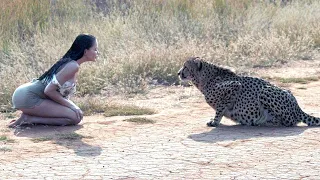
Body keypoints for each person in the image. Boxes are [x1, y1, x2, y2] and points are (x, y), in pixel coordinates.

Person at [8, 34, 99, 128]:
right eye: (95, 49)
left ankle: (30, 117)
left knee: (75, 115)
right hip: (28, 97)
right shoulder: (73, 66)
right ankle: (29, 119)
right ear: (85, 51)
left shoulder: (71, 64)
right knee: (75, 117)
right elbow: (49, 90)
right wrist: (73, 106)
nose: (97, 52)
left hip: (26, 94)